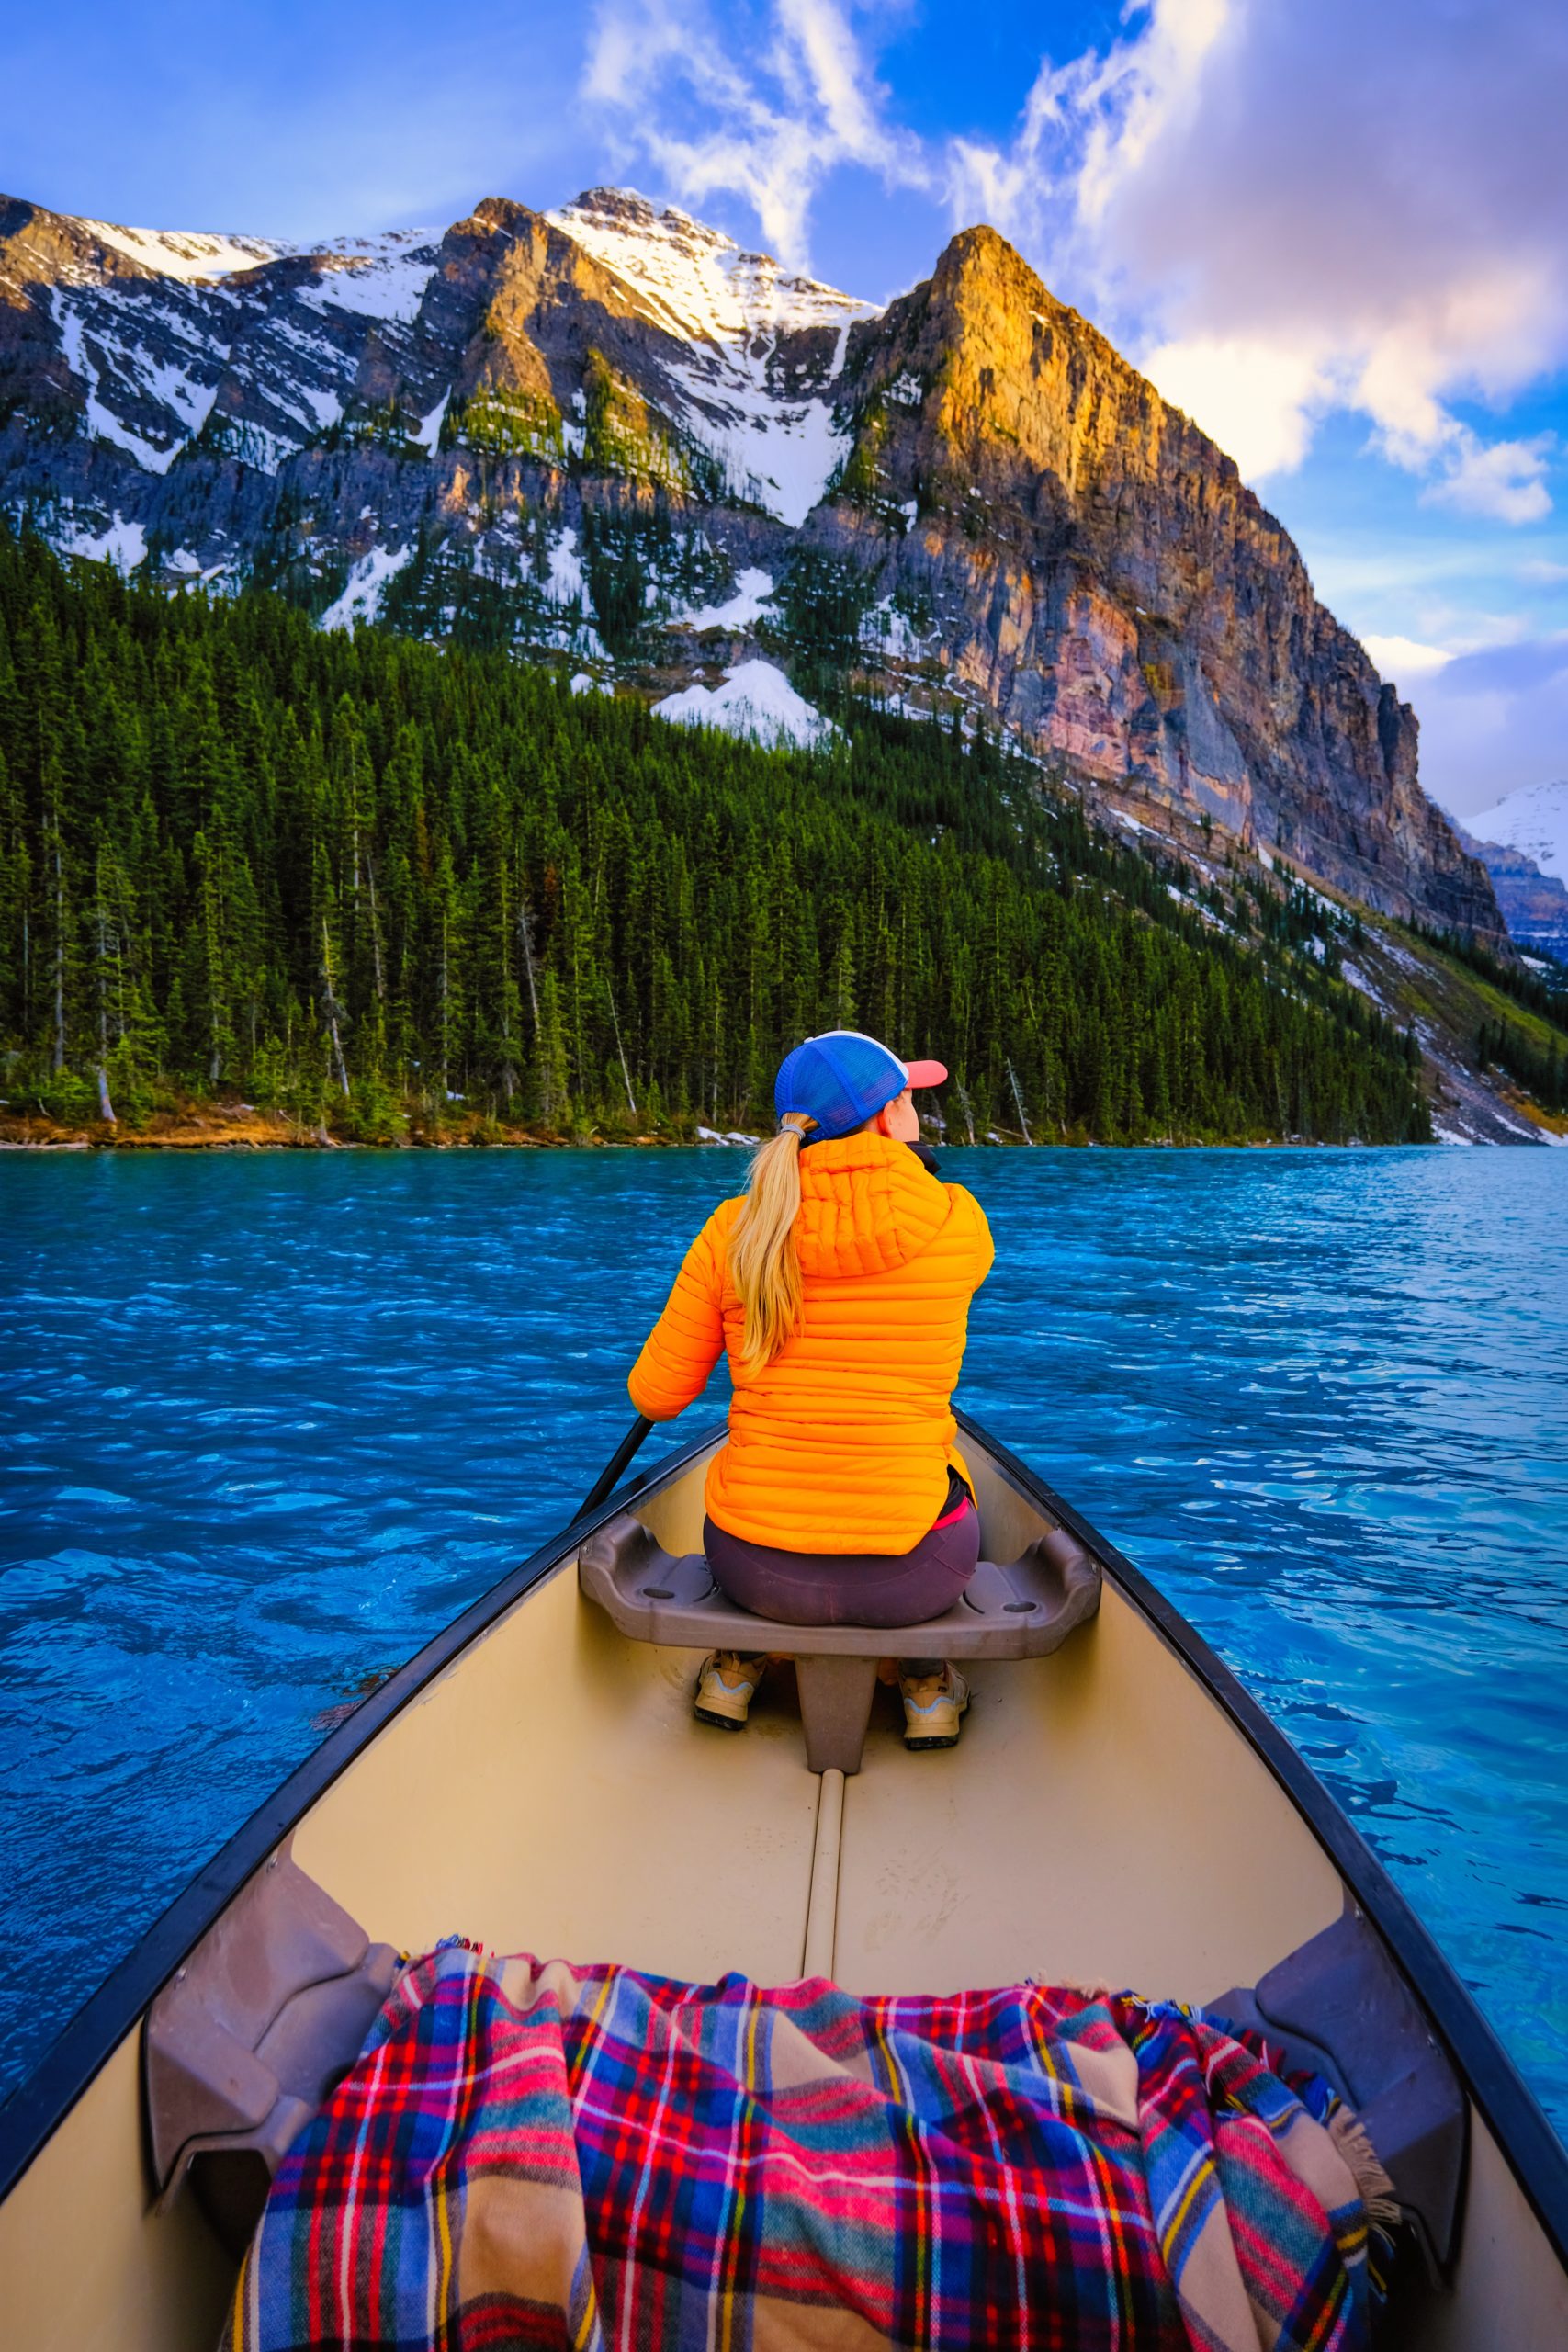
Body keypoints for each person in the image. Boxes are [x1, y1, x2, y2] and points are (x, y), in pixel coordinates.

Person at [627, 1031, 994, 1749]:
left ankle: (735, 1670)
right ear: (890, 1118)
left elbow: (657, 1399)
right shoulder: (959, 1222)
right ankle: (924, 1683)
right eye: (911, 1099)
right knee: (952, 1475)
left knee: (746, 1480)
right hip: (918, 1575)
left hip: (754, 1569)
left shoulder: (734, 1230)